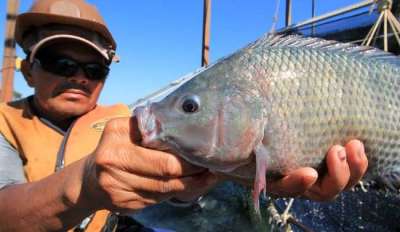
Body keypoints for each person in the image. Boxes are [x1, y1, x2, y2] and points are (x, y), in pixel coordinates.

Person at [0, 0, 368, 231]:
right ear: (28, 70)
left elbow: (177, 198)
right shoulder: (4, 123)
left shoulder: (125, 123)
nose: (78, 77)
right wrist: (84, 185)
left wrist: (206, 180)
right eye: (58, 63)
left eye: (94, 69)